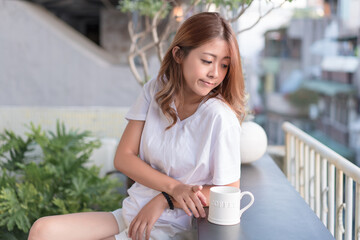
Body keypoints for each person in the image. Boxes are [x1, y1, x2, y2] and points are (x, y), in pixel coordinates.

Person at [28, 11, 246, 240]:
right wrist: (173, 188)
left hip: (173, 226)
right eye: (207, 61)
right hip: (132, 213)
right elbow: (123, 157)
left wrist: (166, 199)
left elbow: (229, 190)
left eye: (224, 65)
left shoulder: (220, 117)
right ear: (179, 55)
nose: (215, 74)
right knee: (42, 231)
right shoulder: (156, 90)